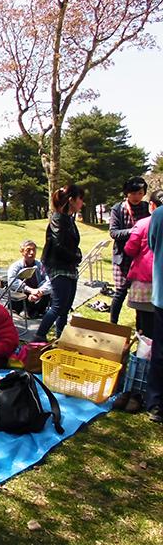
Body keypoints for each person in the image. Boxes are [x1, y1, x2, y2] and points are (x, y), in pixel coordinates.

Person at [31, 183, 86, 343]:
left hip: (69, 267)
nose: (82, 203)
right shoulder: (58, 219)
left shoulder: (69, 219)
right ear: (71, 200)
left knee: (65, 308)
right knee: (58, 306)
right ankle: (38, 337)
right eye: (80, 199)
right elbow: (58, 246)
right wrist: (75, 257)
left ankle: (60, 339)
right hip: (58, 266)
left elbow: (71, 244)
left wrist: (77, 254)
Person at [109, 176, 150, 325]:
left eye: (140, 193)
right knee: (120, 292)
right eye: (133, 193)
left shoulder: (146, 207)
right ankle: (113, 324)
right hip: (122, 258)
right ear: (126, 193)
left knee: (140, 296)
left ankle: (140, 328)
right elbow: (113, 233)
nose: (137, 197)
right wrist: (133, 231)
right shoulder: (118, 208)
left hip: (141, 259)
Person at [125, 190, 163, 338]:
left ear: (152, 205)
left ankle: (145, 349)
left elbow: (130, 249)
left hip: (144, 282)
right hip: (159, 283)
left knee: (145, 327)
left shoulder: (143, 224)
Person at [145, 204, 163, 423]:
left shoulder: (158, 214)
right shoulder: (159, 214)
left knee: (160, 351)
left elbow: (153, 244)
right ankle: (156, 403)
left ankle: (156, 402)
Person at [6, 239, 52, 319]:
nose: (32, 252)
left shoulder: (40, 265)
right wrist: (30, 290)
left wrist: (40, 291)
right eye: (28, 250)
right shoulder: (15, 266)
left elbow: (49, 280)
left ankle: (32, 310)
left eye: (34, 250)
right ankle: (31, 310)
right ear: (22, 252)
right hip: (22, 294)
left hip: (37, 295)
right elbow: (11, 281)